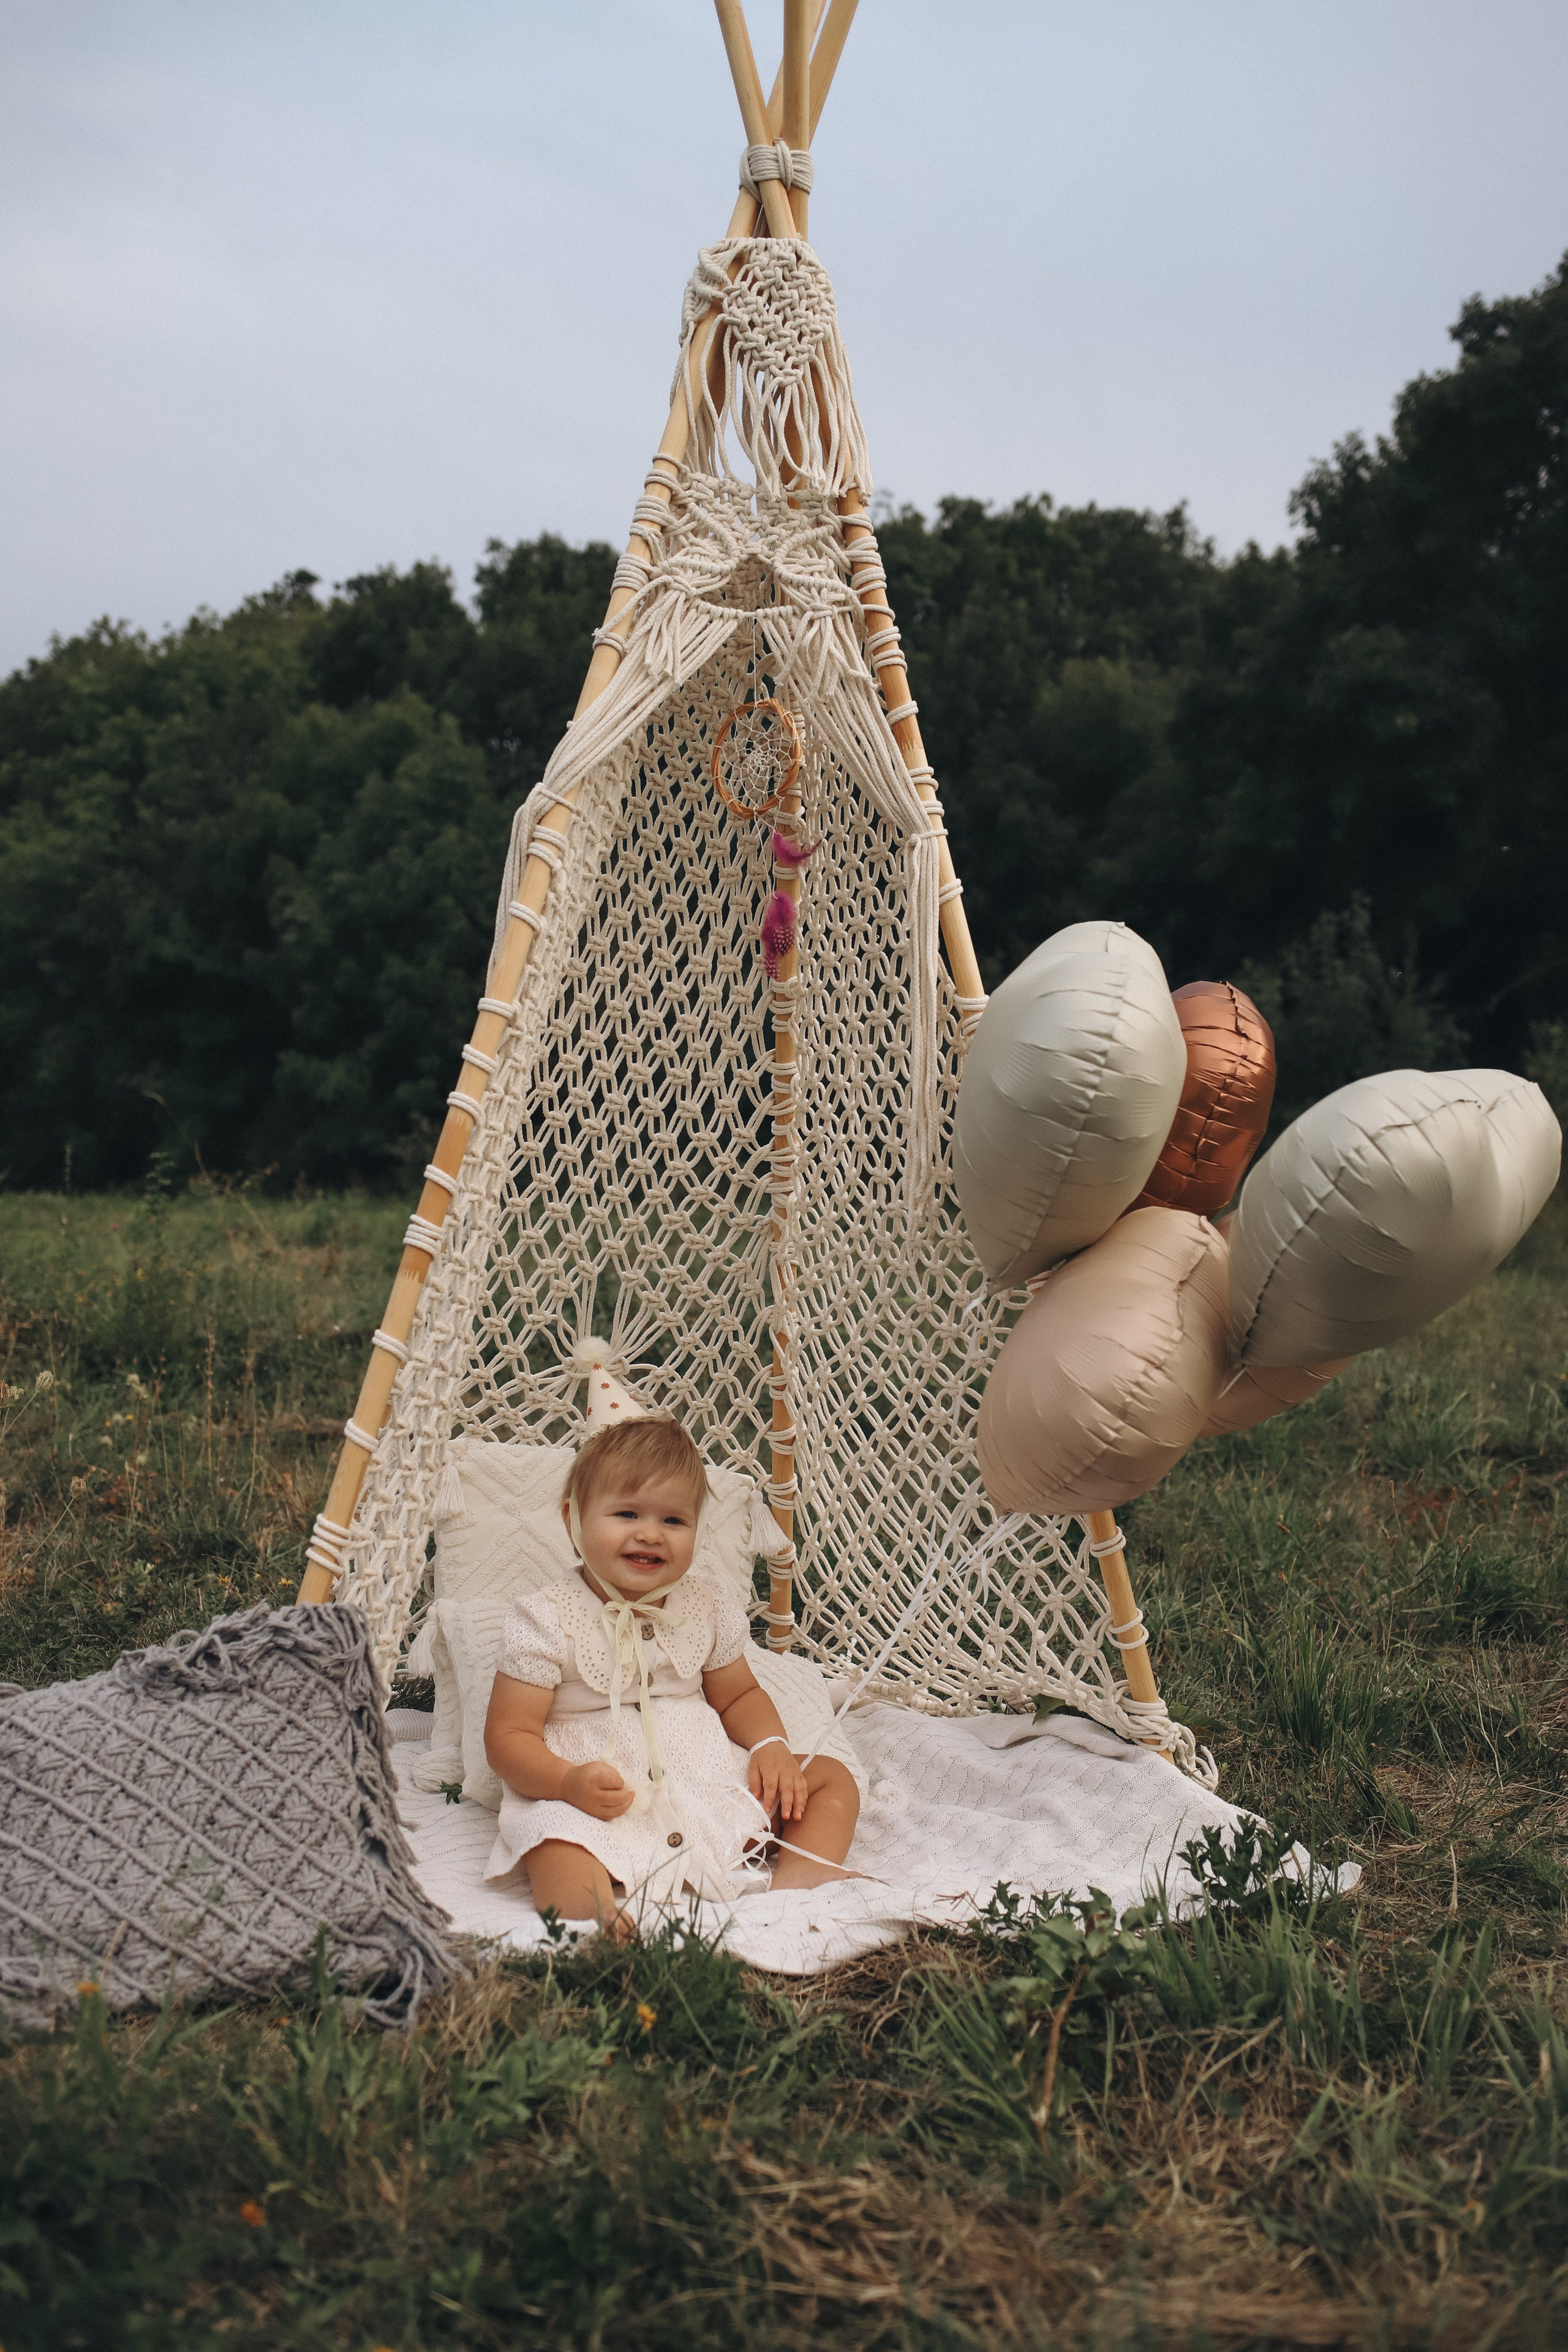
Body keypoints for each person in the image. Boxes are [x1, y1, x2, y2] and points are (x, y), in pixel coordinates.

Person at [482, 1414, 862, 1931]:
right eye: (627, 1513)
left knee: (828, 1778)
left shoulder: (705, 1604)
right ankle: (595, 1917)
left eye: (674, 1522)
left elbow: (738, 1696)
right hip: (597, 1795)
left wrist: (771, 1744)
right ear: (574, 1521)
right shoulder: (546, 1618)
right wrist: (566, 1783)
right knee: (553, 1839)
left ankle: (796, 1897)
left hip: (705, 1779)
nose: (650, 1534)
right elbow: (508, 1736)